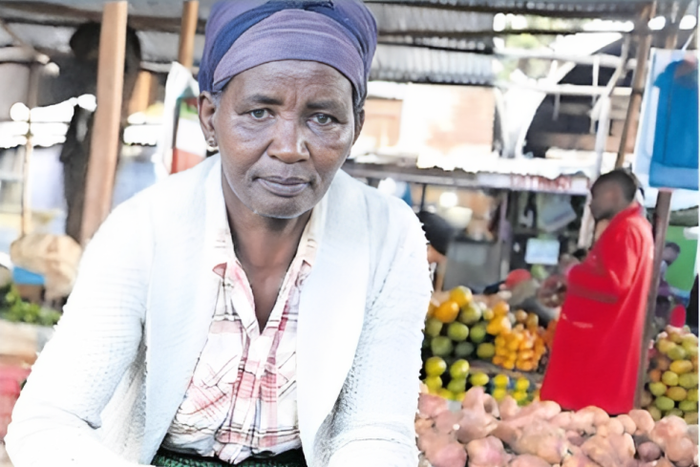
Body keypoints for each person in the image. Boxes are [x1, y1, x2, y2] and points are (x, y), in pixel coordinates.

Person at [6, 2, 432, 466]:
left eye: (323, 118)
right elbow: (49, 419)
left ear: (357, 127)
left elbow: (374, 434)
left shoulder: (389, 237)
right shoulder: (143, 229)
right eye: (259, 112)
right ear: (209, 117)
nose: (290, 148)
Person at [540, 169, 653, 414]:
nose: (590, 205)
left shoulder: (628, 229)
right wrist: (569, 286)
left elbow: (614, 285)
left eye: (595, 196)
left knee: (580, 422)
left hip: (600, 350)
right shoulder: (631, 227)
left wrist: (572, 272)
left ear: (612, 194)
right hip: (601, 342)